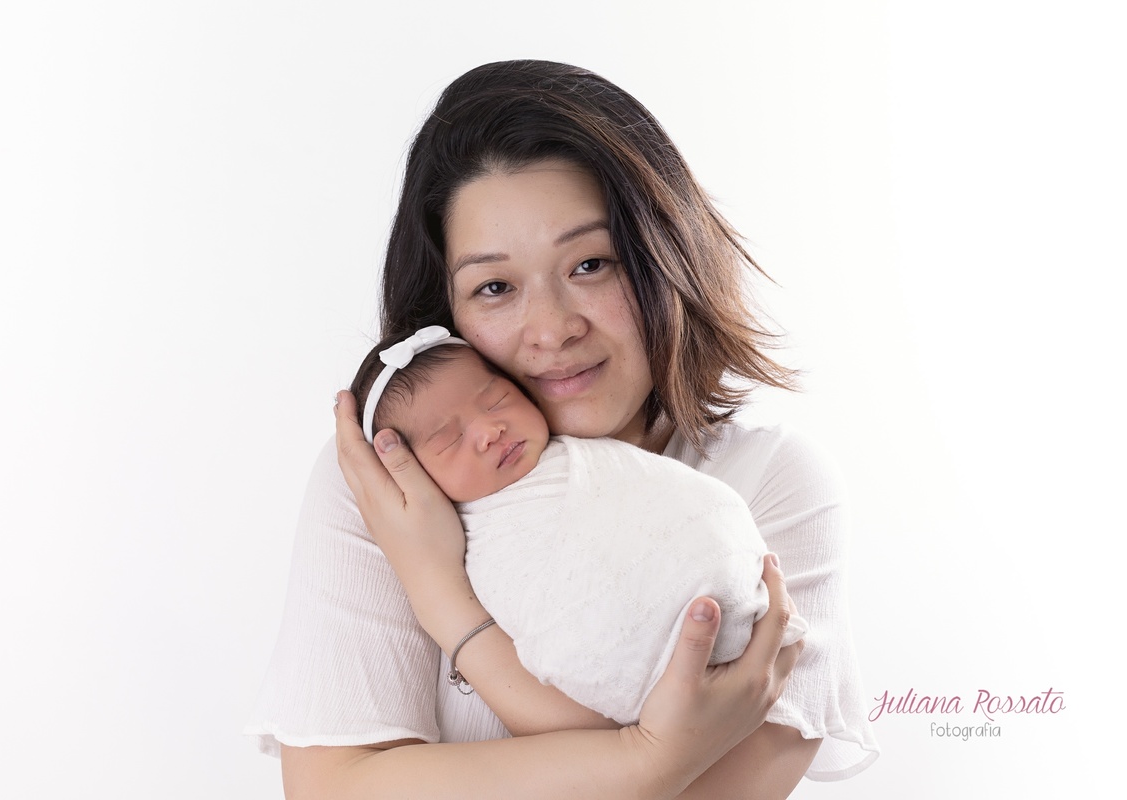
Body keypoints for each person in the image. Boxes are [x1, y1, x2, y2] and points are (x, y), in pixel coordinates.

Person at [247, 60, 879, 798]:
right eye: (495, 287)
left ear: (664, 255)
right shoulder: (393, 478)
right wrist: (648, 765)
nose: (551, 329)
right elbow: (332, 791)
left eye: (591, 263)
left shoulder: (772, 485)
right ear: (443, 313)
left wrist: (443, 601)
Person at [348, 325, 808, 725]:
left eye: (497, 400)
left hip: (749, 603)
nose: (490, 431)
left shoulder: (581, 449)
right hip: (654, 688)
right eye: (449, 440)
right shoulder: (467, 536)